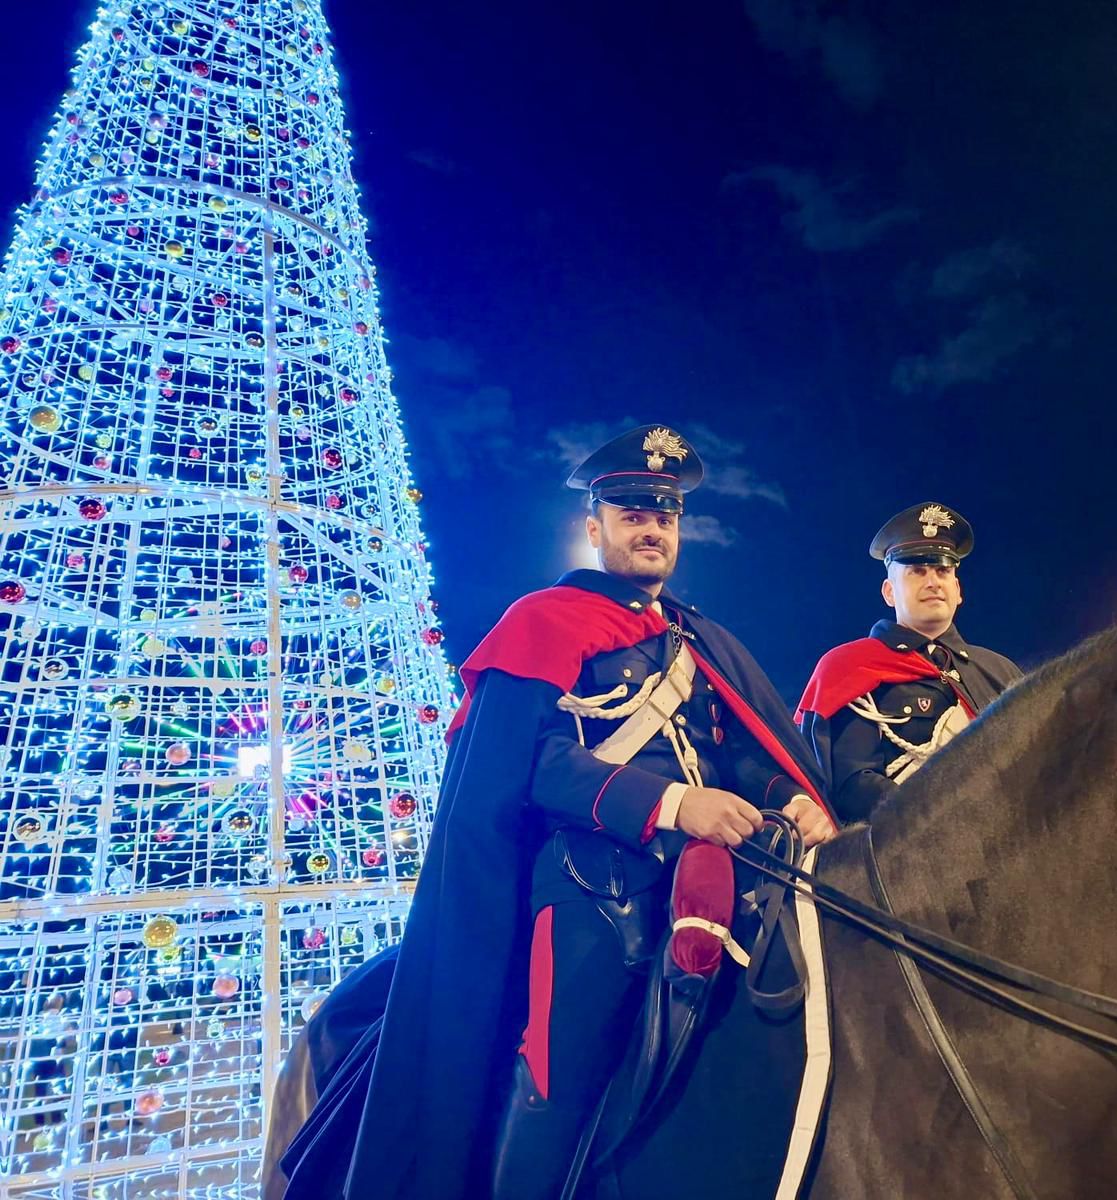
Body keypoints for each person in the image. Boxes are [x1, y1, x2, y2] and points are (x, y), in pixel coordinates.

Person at [280, 425, 833, 1200]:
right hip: (593, 888)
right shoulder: (543, 622)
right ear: (595, 527)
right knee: (560, 1077)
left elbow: (745, 752)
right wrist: (674, 803)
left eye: (664, 516)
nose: (651, 528)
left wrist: (795, 800)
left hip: (722, 875)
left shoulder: (696, 640)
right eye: (632, 513)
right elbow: (524, 762)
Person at [797, 502, 1021, 824]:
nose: (933, 582)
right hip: (904, 854)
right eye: (916, 571)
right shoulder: (848, 667)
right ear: (889, 592)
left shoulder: (1001, 672)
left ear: (957, 590)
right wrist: (949, 813)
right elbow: (852, 784)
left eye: (943, 571)